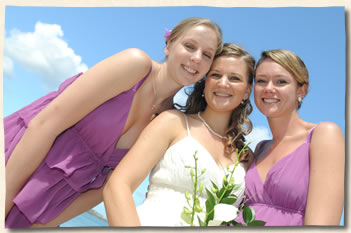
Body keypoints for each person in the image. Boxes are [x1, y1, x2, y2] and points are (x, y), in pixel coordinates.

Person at [4, 17, 223, 228]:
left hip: (44, 205)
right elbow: (45, 124)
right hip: (14, 163)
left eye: (207, 55)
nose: (196, 58)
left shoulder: (166, 120)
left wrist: (44, 224)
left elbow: (105, 187)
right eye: (189, 46)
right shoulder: (135, 66)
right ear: (169, 44)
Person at [103, 43, 256, 226]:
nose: (222, 83)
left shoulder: (245, 156)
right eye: (215, 75)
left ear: (247, 91)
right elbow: (117, 185)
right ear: (205, 81)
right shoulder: (172, 123)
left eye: (234, 78)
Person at [238, 49, 345, 226]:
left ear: (301, 90)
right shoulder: (261, 148)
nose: (269, 88)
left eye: (281, 82)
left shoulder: (324, 135)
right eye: (262, 81)